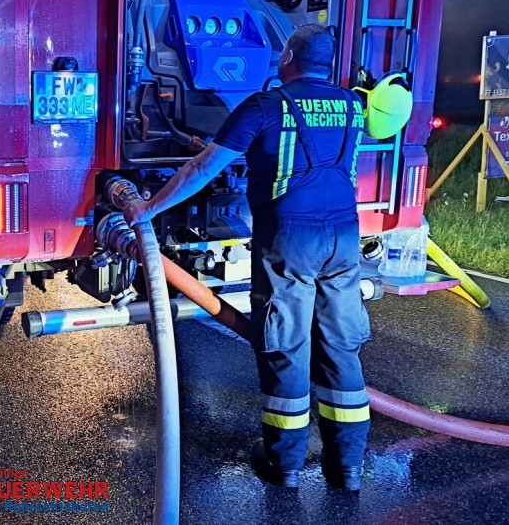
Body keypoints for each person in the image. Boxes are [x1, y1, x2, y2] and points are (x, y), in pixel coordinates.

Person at [124, 24, 371, 492]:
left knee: (285, 346)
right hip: (343, 237)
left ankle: (285, 463)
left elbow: (203, 169)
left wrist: (148, 207)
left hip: (290, 242)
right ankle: (348, 468)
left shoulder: (265, 106)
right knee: (341, 346)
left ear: (288, 57)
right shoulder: (351, 105)